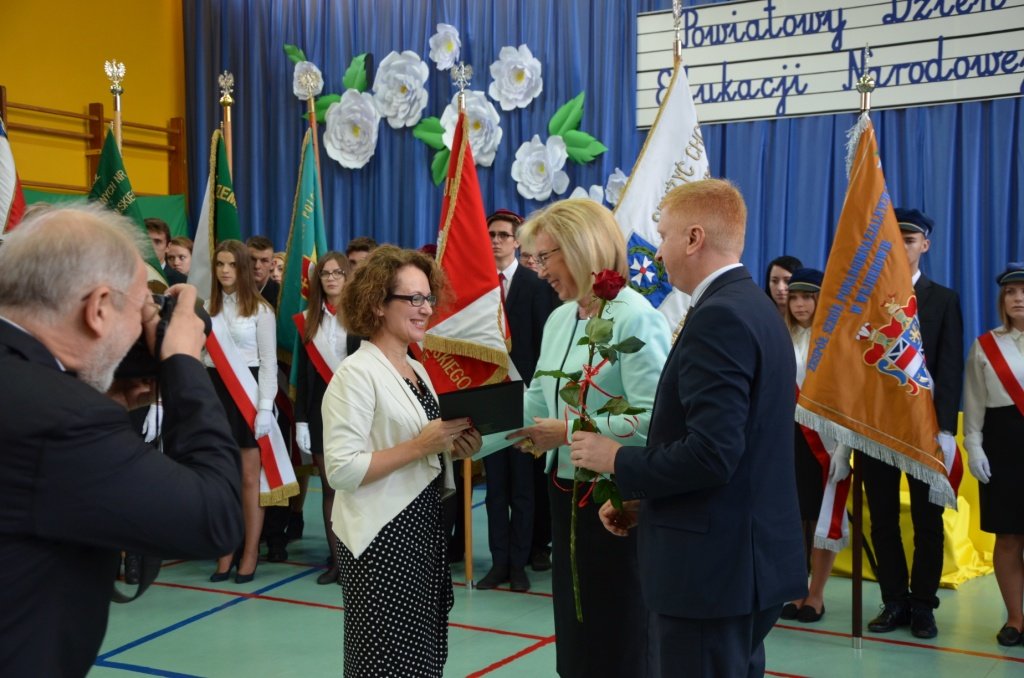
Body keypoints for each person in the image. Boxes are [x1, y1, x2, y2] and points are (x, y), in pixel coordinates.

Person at [570, 179, 806, 677]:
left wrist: (617, 458)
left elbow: (712, 453)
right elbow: (740, 451)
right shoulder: (755, 307)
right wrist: (649, 503)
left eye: (663, 235)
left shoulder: (719, 317)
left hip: (710, 573)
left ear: (694, 238)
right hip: (743, 558)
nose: (657, 252)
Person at [0, 203, 242, 676]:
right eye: (142, 308)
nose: (144, 326)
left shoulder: (33, 393)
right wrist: (183, 363)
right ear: (98, 309)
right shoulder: (64, 420)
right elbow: (216, 519)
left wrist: (98, 397)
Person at [509, 199, 670, 677]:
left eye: (544, 257)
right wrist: (479, 428)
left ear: (581, 248)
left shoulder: (635, 317)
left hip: (614, 499)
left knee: (619, 632)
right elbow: (537, 401)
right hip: (563, 494)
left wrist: (571, 431)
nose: (539, 271)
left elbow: (656, 421)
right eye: (534, 259)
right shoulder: (561, 317)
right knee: (576, 634)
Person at [322, 245, 481, 676]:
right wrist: (421, 446)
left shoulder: (417, 369)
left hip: (422, 530)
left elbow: (423, 446)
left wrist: (453, 448)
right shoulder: (355, 373)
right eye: (413, 298)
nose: (426, 308)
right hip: (382, 539)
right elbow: (341, 469)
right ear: (377, 303)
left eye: (428, 297)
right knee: (386, 662)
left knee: (422, 658)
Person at [863, 207, 964, 639]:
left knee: (927, 520)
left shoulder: (943, 299)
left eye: (909, 239)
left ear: (925, 244)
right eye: (894, 238)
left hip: (925, 427)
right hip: (877, 426)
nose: (901, 246)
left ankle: (923, 604)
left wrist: (946, 430)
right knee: (882, 518)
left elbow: (951, 367)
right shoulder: (868, 299)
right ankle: (894, 601)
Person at [478, 209, 557, 592]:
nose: (496, 241)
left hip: (527, 400)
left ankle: (521, 562)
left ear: (516, 241)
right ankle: (499, 563)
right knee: (496, 489)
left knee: (524, 489)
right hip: (490, 402)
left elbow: (545, 345)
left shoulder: (534, 283)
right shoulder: (477, 286)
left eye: (503, 235)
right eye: (490, 234)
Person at [779, 267, 851, 624]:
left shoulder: (837, 339)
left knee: (822, 517)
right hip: (786, 438)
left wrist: (844, 450)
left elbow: (848, 397)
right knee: (792, 518)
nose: (800, 304)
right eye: (794, 297)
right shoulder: (779, 335)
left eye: (807, 297)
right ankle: (795, 589)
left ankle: (817, 593)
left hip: (826, 439)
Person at [203, 239, 278, 584]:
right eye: (220, 264)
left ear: (244, 268)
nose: (225, 270)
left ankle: (249, 553)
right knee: (222, 477)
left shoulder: (261, 311)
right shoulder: (207, 308)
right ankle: (226, 548)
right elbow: (200, 356)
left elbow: (269, 364)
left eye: (232, 264)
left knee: (249, 479)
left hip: (247, 394)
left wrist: (264, 407)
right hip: (214, 392)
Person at [962, 263, 1024, 647]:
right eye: (1011, 292)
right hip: (1003, 447)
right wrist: (973, 446)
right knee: (1008, 537)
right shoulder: (985, 345)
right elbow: (974, 401)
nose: (1018, 298)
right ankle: (1015, 618)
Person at [293, 252, 360, 585]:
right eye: (325, 273)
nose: (331, 278)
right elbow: (304, 376)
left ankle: (360, 562)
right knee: (331, 488)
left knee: (358, 489)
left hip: (358, 410)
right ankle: (338, 563)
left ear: (348, 277)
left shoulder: (362, 316)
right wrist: (301, 420)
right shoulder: (309, 320)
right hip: (321, 412)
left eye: (338, 273)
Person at [145, 217, 187, 285]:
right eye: (146, 240)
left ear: (168, 247)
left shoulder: (181, 281)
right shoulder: (128, 276)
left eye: (157, 242)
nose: (151, 246)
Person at [246, 235, 279, 306]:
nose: (257, 266)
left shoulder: (281, 296)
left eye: (264, 261)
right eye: (252, 259)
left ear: (272, 265)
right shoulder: (233, 290)